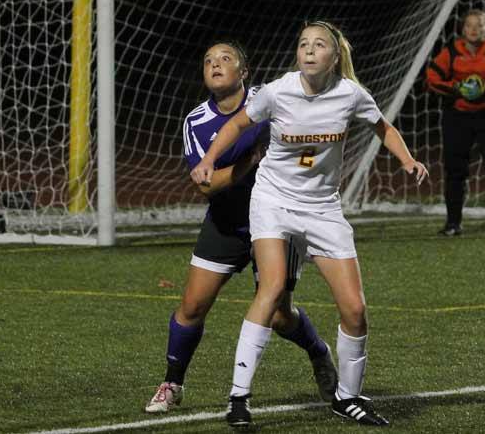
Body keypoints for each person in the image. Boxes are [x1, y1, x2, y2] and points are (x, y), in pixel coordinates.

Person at [191, 21, 428, 427]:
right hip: (274, 201)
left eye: (319, 45)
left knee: (355, 309)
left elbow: (381, 127)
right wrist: (210, 160)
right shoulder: (278, 91)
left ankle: (347, 397)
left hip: (322, 209)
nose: (310, 50)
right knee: (272, 288)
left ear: (335, 57)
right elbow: (237, 124)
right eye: (304, 43)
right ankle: (238, 398)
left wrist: (407, 159)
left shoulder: (350, 94)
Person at [145, 40, 338, 413]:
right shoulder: (196, 122)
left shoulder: (272, 99)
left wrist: (307, 169)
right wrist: (250, 161)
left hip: (277, 220)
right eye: (208, 61)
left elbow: (311, 134)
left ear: (244, 72)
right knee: (192, 305)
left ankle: (318, 352)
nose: (215, 64)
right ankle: (172, 382)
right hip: (227, 220)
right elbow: (205, 186)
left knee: (281, 315)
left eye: (225, 58)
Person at [426, 9, 485, 239]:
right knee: (455, 171)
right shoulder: (451, 52)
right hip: (457, 117)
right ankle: (453, 224)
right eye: (469, 25)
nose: (473, 29)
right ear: (462, 29)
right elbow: (432, 77)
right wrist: (457, 88)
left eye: (479, 26)